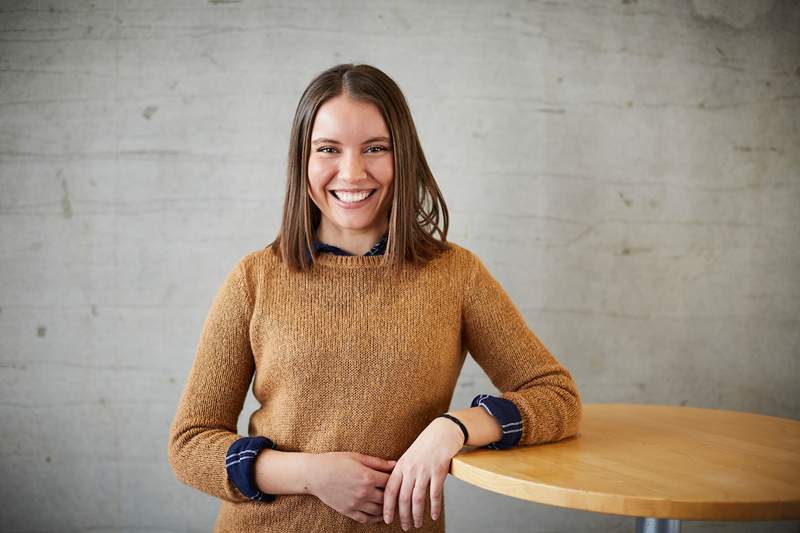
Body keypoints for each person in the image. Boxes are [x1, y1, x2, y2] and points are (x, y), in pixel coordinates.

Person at [167, 63, 582, 533]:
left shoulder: (456, 274)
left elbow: (557, 397)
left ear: (402, 155)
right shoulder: (255, 278)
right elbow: (189, 444)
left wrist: (453, 429)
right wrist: (310, 475)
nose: (352, 171)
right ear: (302, 161)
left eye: (375, 149)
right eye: (328, 149)